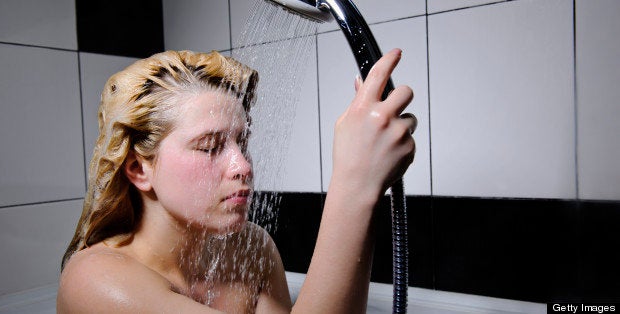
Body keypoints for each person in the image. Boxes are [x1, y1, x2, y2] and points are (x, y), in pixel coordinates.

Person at [56, 48, 416, 313]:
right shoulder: (94, 282)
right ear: (138, 169)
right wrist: (355, 183)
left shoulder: (251, 249)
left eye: (242, 143)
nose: (242, 165)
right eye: (211, 146)